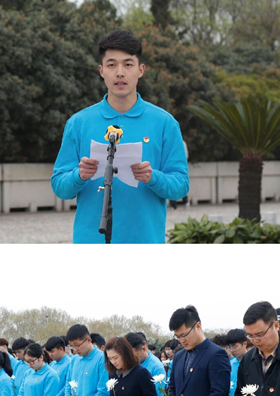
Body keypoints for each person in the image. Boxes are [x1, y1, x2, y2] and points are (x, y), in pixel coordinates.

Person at [51, 30, 189, 243]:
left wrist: (153, 177)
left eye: (128, 64)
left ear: (140, 70)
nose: (120, 73)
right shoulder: (78, 123)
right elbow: (60, 186)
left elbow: (181, 185)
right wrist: (79, 175)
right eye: (111, 65)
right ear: (101, 71)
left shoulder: (165, 123)